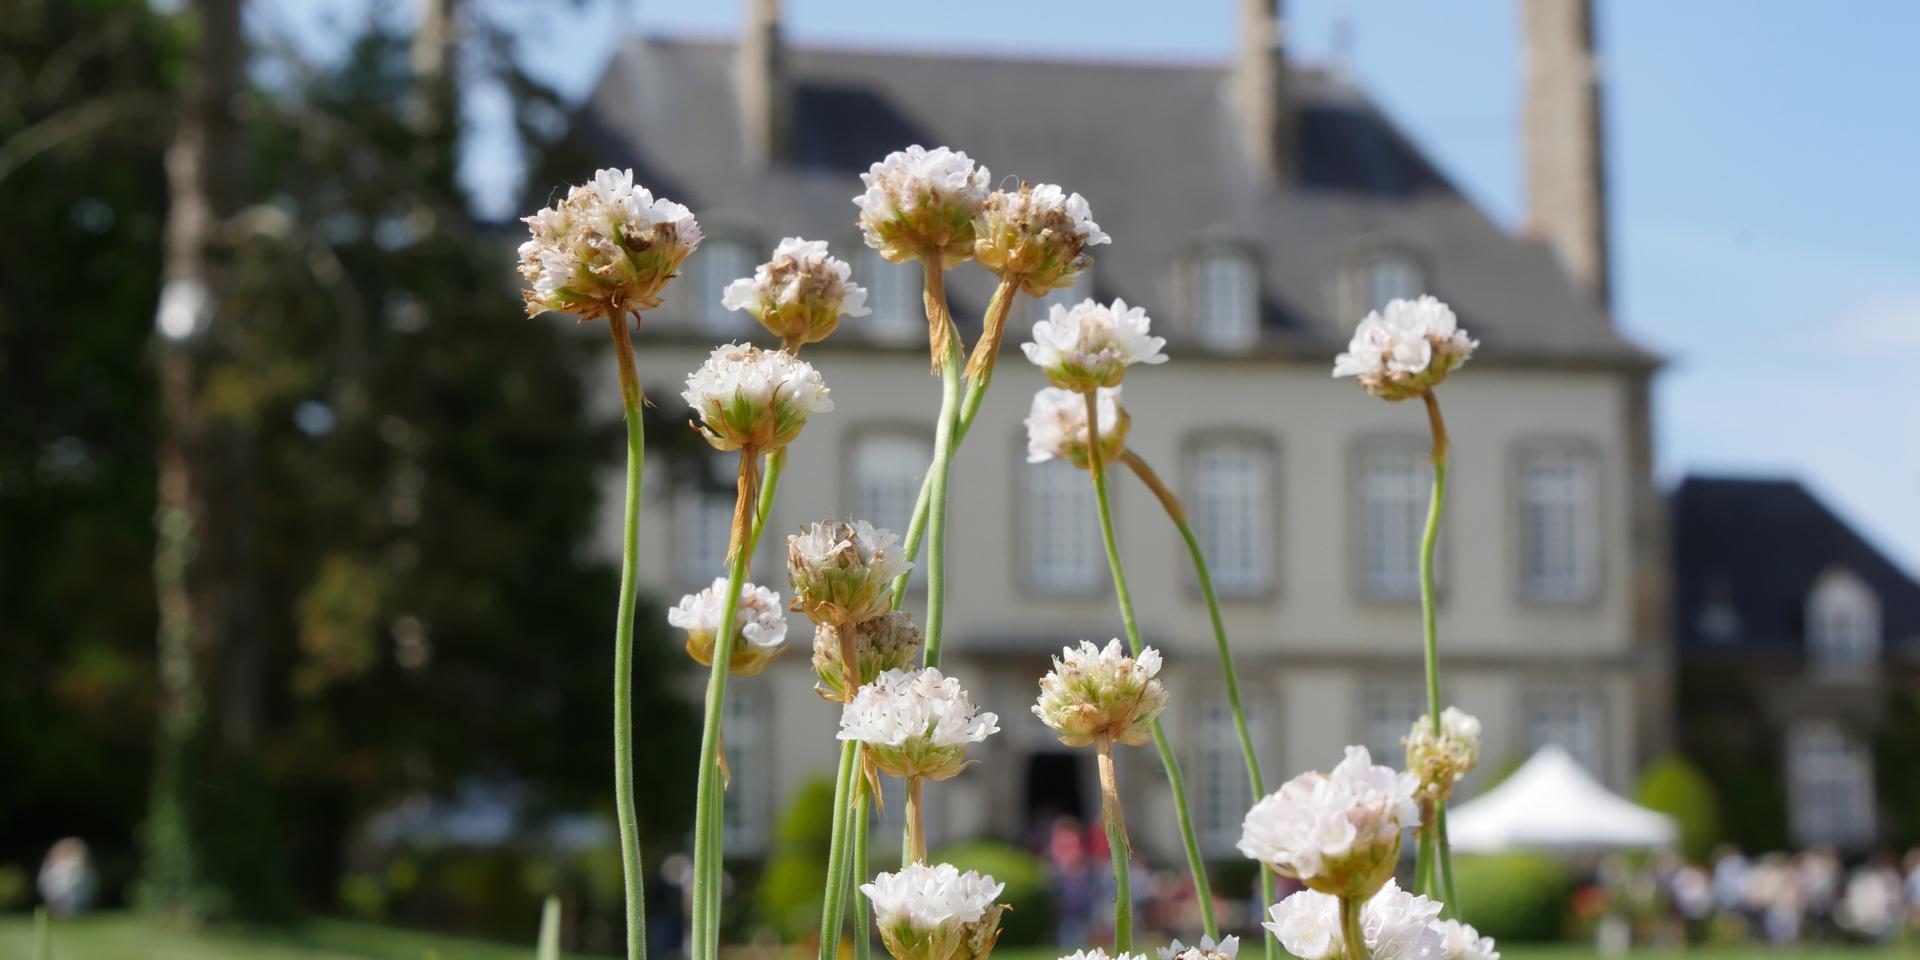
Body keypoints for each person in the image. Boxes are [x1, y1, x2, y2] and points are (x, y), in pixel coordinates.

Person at [37, 838, 96, 918]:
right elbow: (46, 885)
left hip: (77, 901)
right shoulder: (55, 868)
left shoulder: (82, 868)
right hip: (59, 899)